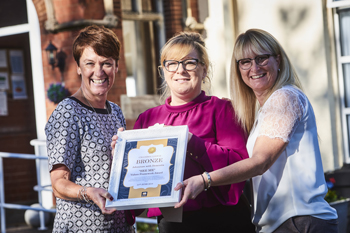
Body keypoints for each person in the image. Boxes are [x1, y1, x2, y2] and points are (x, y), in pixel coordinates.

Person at [174, 28, 339, 233]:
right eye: (245, 61)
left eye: (261, 58)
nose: (254, 67)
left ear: (278, 60)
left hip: (299, 222)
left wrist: (205, 180)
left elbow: (260, 162)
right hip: (284, 224)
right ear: (238, 68)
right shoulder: (265, 109)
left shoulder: (284, 97)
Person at [112, 31, 255, 233]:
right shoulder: (147, 119)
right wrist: (120, 160)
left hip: (222, 221)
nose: (180, 70)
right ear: (163, 70)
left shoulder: (221, 109)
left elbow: (241, 164)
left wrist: (189, 141)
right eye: (172, 63)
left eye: (190, 63)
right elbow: (136, 191)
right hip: (173, 224)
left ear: (204, 70)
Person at [45, 25, 135, 232]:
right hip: (82, 227)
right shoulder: (68, 112)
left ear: (117, 66)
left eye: (106, 63)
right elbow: (58, 183)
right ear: (78, 67)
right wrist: (89, 192)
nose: (99, 72)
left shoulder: (115, 111)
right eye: (90, 63)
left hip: (119, 226)